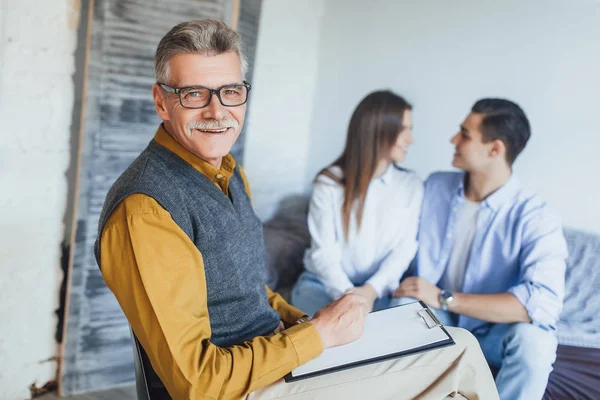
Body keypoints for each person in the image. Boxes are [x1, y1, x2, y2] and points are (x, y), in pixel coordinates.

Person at [96, 19, 499, 399]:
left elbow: (247, 288)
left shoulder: (227, 172)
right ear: (162, 102)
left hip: (278, 361)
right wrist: (318, 335)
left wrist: (307, 322)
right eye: (194, 94)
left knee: (440, 348)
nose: (218, 112)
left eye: (230, 91)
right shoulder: (146, 211)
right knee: (459, 350)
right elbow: (198, 384)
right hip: (246, 390)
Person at [395, 98, 567, 399]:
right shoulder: (435, 186)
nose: (453, 140)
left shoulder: (537, 215)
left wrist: (444, 298)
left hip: (494, 332)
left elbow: (541, 303)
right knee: (399, 309)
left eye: (464, 134)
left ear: (495, 149)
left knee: (537, 344)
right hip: (438, 321)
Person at [291, 91, 423, 316]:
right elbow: (323, 253)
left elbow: (404, 248)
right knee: (338, 327)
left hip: (379, 291)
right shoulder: (329, 183)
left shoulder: (411, 185)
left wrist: (371, 291)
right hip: (323, 286)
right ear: (378, 131)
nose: (410, 139)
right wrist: (349, 296)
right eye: (404, 129)